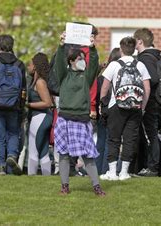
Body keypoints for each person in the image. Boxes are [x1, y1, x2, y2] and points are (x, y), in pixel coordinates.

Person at [54, 31, 105, 196]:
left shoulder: (86, 77)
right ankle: (64, 186)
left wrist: (93, 48)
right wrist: (61, 45)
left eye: (84, 58)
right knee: (63, 154)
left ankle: (97, 187)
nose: (83, 61)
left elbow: (94, 63)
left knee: (88, 155)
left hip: (82, 120)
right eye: (79, 59)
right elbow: (59, 64)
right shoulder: (64, 76)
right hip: (65, 119)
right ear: (71, 62)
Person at [99, 37, 151, 181]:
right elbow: (147, 88)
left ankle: (112, 172)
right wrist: (143, 107)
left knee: (114, 139)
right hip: (135, 107)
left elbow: (105, 86)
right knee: (130, 139)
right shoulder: (140, 65)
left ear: (121, 49)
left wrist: (103, 103)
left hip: (116, 106)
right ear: (134, 49)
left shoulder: (114, 65)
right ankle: (124, 172)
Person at [0, 34, 26, 175]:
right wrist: (22, 105)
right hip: (14, 105)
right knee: (14, 133)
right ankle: (12, 156)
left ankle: (0, 167)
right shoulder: (19, 64)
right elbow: (23, 88)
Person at [134, 28, 161, 177]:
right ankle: (150, 165)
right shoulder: (155, 56)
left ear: (140, 41)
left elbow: (153, 79)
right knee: (151, 133)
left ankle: (152, 166)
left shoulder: (146, 58)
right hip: (155, 101)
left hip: (149, 102)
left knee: (150, 134)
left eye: (135, 42)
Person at [26, 53, 53, 176]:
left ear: (35, 66)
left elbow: (47, 103)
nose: (28, 66)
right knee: (43, 150)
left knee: (33, 150)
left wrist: (28, 105)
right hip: (42, 117)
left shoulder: (40, 82)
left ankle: (31, 178)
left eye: (30, 64)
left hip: (40, 117)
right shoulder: (37, 80)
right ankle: (46, 177)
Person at [96, 48, 121, 175]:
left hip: (101, 112)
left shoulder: (101, 77)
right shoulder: (120, 77)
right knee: (109, 142)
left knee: (100, 142)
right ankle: (106, 170)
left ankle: (96, 170)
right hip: (114, 112)